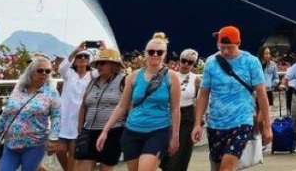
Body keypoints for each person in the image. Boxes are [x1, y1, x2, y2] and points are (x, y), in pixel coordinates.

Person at [96, 33, 181, 171]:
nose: (155, 54)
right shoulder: (133, 77)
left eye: (159, 52)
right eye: (151, 51)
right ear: (145, 53)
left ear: (165, 54)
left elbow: (175, 109)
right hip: (132, 131)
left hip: (158, 131)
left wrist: (175, 136)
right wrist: (105, 131)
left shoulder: (171, 77)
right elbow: (122, 106)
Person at [193, 26, 273, 171]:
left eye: (229, 48)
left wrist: (267, 126)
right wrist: (197, 123)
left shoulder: (251, 62)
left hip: (241, 121)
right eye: (221, 47)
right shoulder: (211, 62)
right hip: (216, 123)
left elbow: (262, 94)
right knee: (217, 167)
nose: (225, 51)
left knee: (226, 167)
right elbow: (203, 93)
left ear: (239, 43)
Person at [0, 55, 63, 171]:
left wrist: (53, 138)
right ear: (31, 71)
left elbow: (57, 116)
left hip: (34, 145)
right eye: (40, 70)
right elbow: (5, 115)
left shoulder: (51, 92)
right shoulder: (19, 89)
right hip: (11, 144)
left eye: (48, 71)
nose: (44, 73)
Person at [75, 48, 126, 171]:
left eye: (102, 63)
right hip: (89, 131)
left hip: (113, 132)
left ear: (114, 65)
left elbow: (128, 106)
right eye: (97, 63)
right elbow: (83, 106)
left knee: (106, 168)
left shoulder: (123, 80)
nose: (98, 66)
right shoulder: (92, 82)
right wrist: (81, 128)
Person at [56, 43, 95, 171]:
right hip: (64, 120)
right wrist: (75, 51)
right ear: (75, 60)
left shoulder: (93, 76)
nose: (82, 58)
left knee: (74, 153)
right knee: (60, 151)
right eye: (79, 57)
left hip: (81, 121)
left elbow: (103, 66)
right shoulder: (69, 74)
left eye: (85, 56)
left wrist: (103, 48)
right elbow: (62, 67)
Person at [162, 49, 201, 171]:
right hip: (168, 115)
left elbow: (200, 102)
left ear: (194, 64)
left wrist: (198, 123)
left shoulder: (197, 79)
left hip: (187, 116)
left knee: (180, 154)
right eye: (184, 61)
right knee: (165, 154)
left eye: (190, 62)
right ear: (179, 60)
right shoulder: (169, 75)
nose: (186, 64)